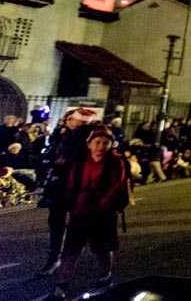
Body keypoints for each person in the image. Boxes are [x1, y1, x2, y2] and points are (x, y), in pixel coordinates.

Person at [47, 126, 127, 301]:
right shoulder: (80, 163)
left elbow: (115, 188)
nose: (101, 147)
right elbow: (71, 186)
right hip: (80, 212)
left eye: (105, 143)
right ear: (89, 144)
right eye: (97, 142)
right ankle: (61, 287)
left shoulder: (115, 163)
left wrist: (101, 207)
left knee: (102, 249)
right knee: (70, 251)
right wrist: (73, 207)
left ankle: (105, 275)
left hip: (103, 214)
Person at [38, 107, 96, 276]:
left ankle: (69, 260)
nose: (71, 122)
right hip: (58, 185)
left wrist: (64, 162)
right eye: (68, 119)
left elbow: (84, 159)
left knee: (76, 223)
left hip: (77, 184)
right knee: (56, 223)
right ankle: (54, 259)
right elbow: (53, 155)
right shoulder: (62, 136)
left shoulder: (87, 137)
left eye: (74, 119)